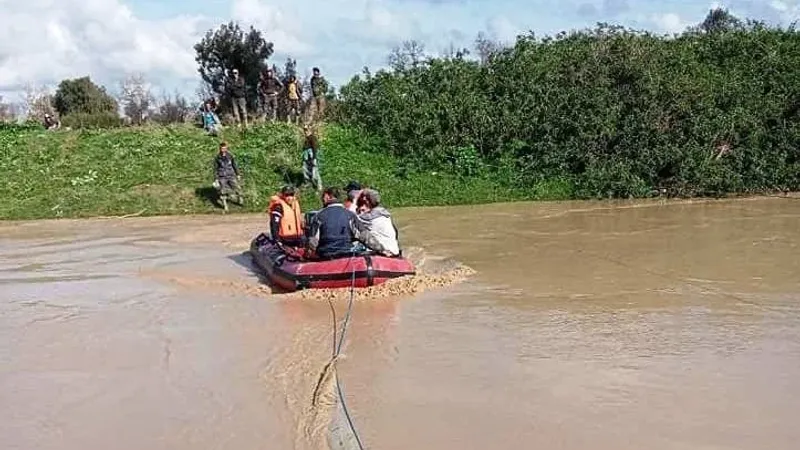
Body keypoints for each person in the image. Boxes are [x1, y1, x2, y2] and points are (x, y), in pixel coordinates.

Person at [306, 187, 391, 260]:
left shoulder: (318, 216)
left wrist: (307, 255)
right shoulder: (350, 215)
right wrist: (382, 250)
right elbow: (365, 236)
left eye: (323, 197)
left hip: (325, 256)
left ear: (327, 196)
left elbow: (313, 241)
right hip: (345, 255)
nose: (322, 200)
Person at [356, 189, 401, 256]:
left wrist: (354, 200)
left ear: (367, 201)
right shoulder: (386, 215)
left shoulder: (369, 218)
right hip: (395, 251)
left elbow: (352, 219)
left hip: (384, 253)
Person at [213, 142, 243, 212]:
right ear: (219, 149)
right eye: (222, 148)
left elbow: (234, 165)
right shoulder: (217, 158)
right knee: (222, 191)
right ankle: (225, 206)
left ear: (226, 148)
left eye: (224, 148)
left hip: (231, 175)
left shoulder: (230, 156)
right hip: (222, 176)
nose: (223, 150)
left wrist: (238, 174)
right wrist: (216, 178)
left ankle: (240, 199)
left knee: (237, 187)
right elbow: (215, 169)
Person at [301, 128, 322, 192]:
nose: (305, 132)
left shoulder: (313, 138)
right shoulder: (306, 139)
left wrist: (314, 158)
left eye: (307, 130)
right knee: (306, 171)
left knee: (314, 173)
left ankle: (318, 186)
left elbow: (315, 148)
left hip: (312, 158)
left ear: (310, 131)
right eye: (305, 131)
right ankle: (308, 184)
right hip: (306, 159)